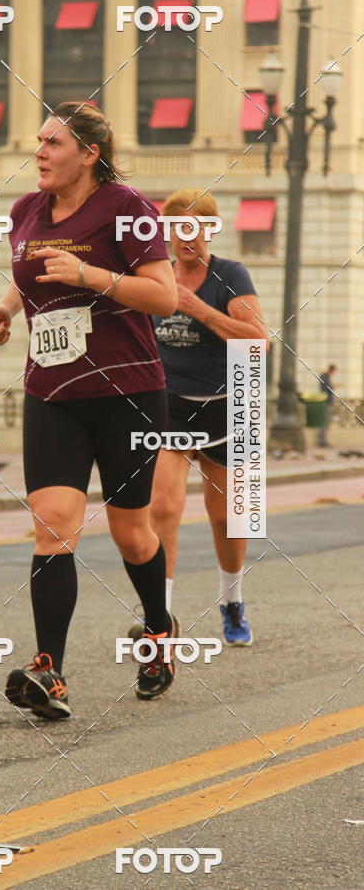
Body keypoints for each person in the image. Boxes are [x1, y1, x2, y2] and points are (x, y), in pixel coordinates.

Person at [0, 102, 178, 718]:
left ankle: (158, 631)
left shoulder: (128, 209)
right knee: (53, 523)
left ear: (89, 153)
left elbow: (165, 297)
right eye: (37, 140)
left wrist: (92, 275)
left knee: (130, 531)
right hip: (53, 392)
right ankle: (50, 670)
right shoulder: (24, 212)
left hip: (127, 393)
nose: (38, 151)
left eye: (53, 142)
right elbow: (29, 272)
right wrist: (8, 309)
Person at [149, 189, 269, 647]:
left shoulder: (230, 275)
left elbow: (258, 340)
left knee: (228, 519)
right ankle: (160, 619)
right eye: (176, 228)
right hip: (171, 407)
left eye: (194, 227)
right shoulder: (156, 275)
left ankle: (232, 601)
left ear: (210, 231)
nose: (185, 237)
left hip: (228, 405)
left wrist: (197, 308)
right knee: (162, 507)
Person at [317, 364, 336, 447]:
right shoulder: (324, 377)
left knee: (326, 423)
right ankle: (322, 442)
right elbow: (325, 389)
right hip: (326, 403)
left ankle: (323, 441)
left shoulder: (326, 377)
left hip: (327, 402)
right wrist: (332, 386)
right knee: (324, 422)